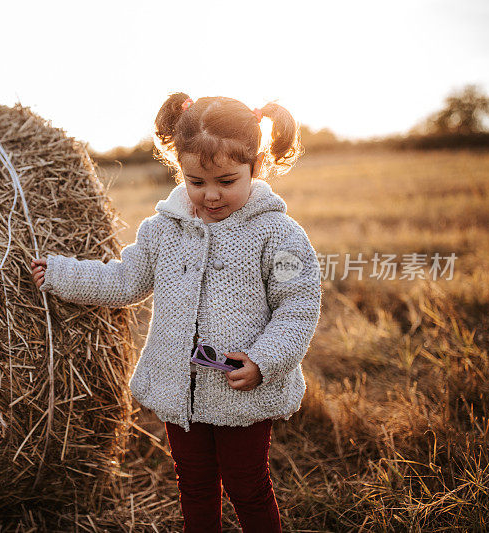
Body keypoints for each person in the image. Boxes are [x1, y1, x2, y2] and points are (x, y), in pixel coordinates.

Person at [30, 93, 321, 532]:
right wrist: (61, 274)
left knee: (248, 485)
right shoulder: (163, 229)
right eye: (197, 181)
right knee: (195, 485)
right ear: (179, 170)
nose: (212, 195)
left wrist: (265, 361)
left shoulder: (277, 233)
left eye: (226, 180)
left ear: (256, 166)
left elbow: (297, 306)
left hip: (241, 388)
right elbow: (125, 281)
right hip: (178, 390)